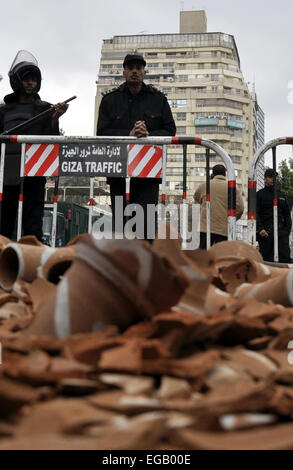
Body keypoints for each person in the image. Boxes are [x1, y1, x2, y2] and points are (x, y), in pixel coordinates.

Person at [97, 53, 176, 241]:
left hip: (148, 175)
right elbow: (102, 133)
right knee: (120, 227)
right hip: (119, 173)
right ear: (123, 72)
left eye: (138, 68)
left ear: (144, 72)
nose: (134, 71)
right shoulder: (110, 100)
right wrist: (129, 135)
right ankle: (122, 267)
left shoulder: (158, 99)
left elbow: (170, 130)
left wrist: (149, 135)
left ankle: (146, 267)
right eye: (130, 68)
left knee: (146, 228)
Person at [0, 50, 68, 241]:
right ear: (17, 81)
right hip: (7, 175)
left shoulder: (45, 109)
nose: (30, 83)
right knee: (4, 222)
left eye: (34, 79)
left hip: (34, 175)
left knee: (32, 223)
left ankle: (32, 264)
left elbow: (51, 139)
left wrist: (55, 118)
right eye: (26, 79)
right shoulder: (5, 111)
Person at [194, 164, 244, 248]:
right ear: (225, 174)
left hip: (205, 228)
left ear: (212, 174)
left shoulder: (204, 186)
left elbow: (197, 198)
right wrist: (231, 219)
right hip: (223, 229)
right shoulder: (232, 188)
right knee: (221, 256)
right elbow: (240, 208)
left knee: (203, 256)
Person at [256, 168, 292, 262]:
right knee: (266, 261)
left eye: (275, 177)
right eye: (270, 177)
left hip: (281, 233)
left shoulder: (282, 195)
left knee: (284, 260)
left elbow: (287, 215)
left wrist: (286, 231)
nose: (273, 179)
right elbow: (255, 213)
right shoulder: (259, 195)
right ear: (265, 179)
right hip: (266, 234)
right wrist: (260, 229)